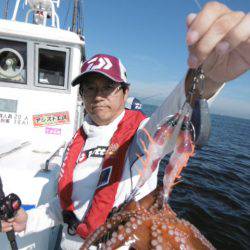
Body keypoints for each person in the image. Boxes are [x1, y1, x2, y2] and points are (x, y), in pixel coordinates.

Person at [1, 2, 250, 249]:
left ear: (124, 92)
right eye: (89, 87)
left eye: (108, 86)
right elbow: (65, 205)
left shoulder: (140, 135)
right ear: (82, 95)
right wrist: (28, 220)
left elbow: (171, 119)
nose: (98, 95)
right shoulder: (74, 142)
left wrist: (208, 76)